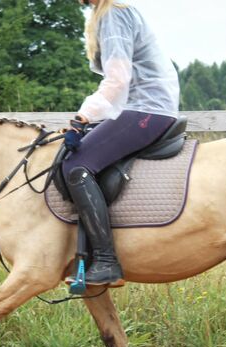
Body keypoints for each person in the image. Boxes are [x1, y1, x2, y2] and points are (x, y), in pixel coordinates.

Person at [63, 0, 180, 287]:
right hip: (143, 106)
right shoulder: (109, 12)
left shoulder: (113, 14)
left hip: (146, 108)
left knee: (76, 164)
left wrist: (83, 117)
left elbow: (117, 80)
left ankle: (105, 261)